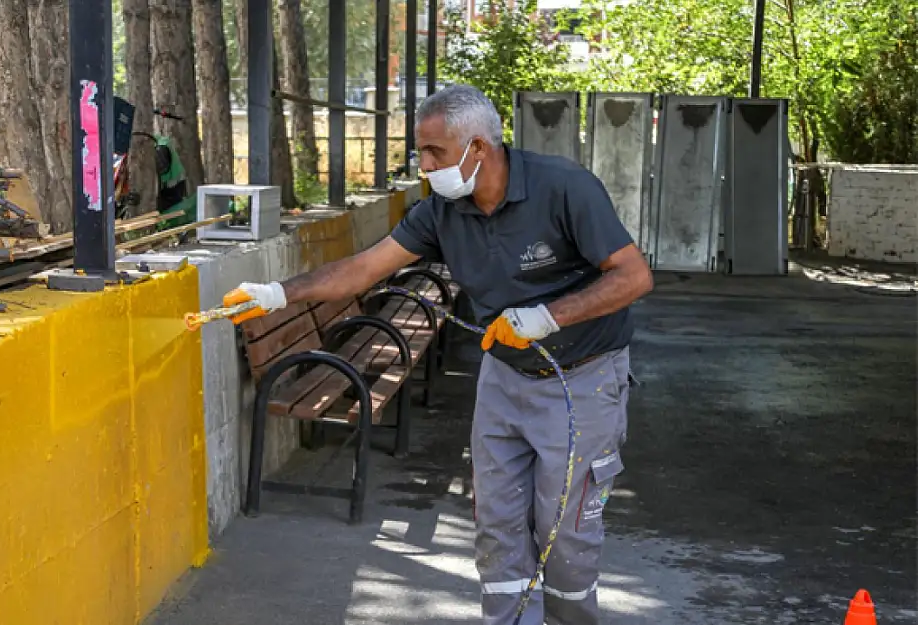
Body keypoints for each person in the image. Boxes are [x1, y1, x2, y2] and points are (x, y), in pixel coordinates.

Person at [220, 84, 653, 625]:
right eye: (420, 152)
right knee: (496, 526)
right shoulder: (441, 212)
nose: (425, 167)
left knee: (564, 533)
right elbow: (362, 269)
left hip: (584, 379)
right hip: (504, 379)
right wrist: (279, 292)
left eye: (434, 153)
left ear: (478, 147)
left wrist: (548, 316)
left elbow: (634, 277)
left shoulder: (564, 188)